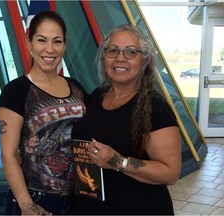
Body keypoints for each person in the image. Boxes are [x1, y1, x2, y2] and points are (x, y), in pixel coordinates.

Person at [70, 24, 182, 215]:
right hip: (91, 207)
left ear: (144, 60)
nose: (120, 58)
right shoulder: (96, 97)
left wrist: (118, 161)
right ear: (104, 57)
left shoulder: (155, 106)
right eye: (113, 51)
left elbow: (170, 173)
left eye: (131, 52)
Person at [0, 11, 86, 215]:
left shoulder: (77, 88)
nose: (50, 49)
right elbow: (8, 155)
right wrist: (27, 207)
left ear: (65, 44)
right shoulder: (16, 91)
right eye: (41, 40)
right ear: (29, 43)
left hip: (77, 198)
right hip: (36, 199)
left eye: (57, 41)